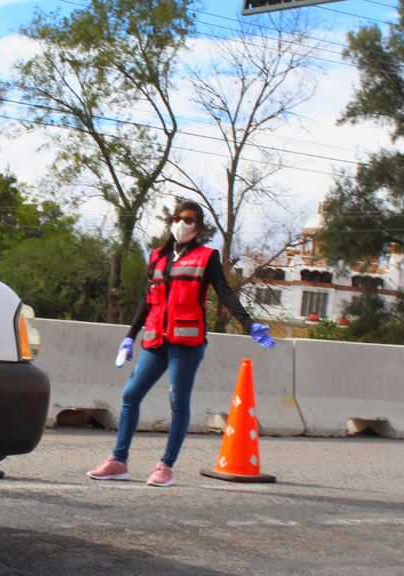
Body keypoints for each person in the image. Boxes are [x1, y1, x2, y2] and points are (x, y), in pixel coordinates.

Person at [87, 201, 276, 487]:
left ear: (198, 227)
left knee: (178, 403)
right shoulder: (159, 257)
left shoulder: (206, 256)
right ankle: (118, 461)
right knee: (130, 395)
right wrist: (130, 336)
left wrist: (249, 324)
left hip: (187, 342)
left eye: (188, 219)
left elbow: (224, 293)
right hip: (155, 339)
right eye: (176, 218)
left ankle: (165, 466)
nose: (180, 223)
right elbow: (146, 300)